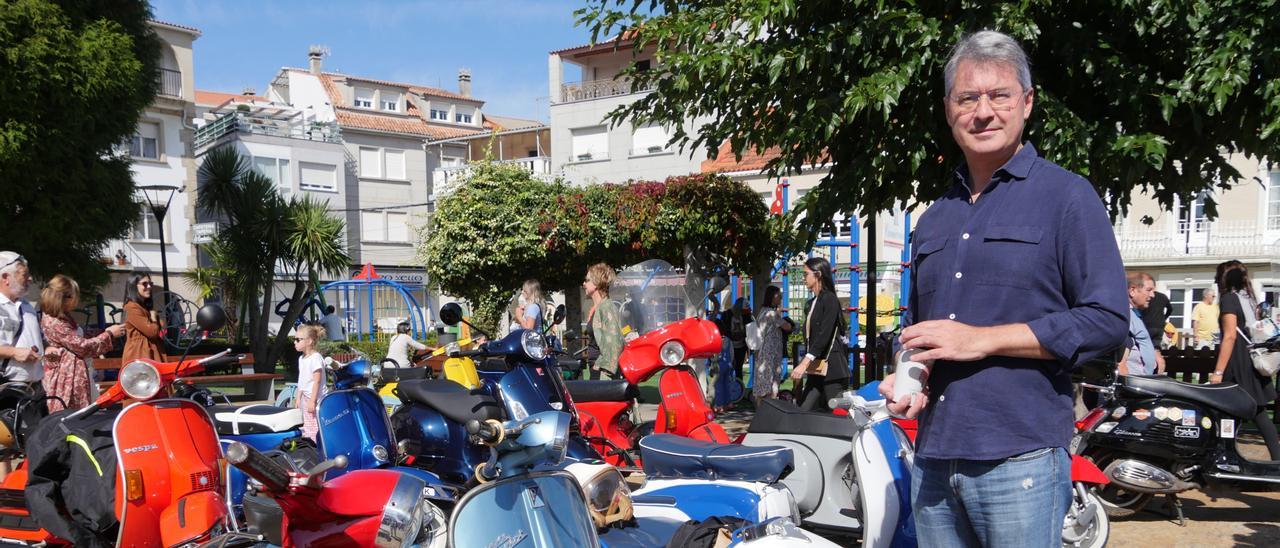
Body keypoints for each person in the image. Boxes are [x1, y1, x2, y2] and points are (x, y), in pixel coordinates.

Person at [879, 31, 1128, 547]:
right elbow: (920, 330)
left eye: (1000, 96)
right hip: (933, 455)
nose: (984, 112)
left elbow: (1106, 321)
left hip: (1021, 459)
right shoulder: (933, 219)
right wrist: (910, 378)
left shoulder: (1067, 197)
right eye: (968, 98)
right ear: (949, 110)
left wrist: (983, 339)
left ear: (1027, 103)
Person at [1209, 261, 1280, 459]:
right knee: (1258, 413)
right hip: (1250, 359)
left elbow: (1230, 336)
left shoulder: (1229, 299)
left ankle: (1225, 459)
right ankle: (1276, 460)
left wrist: (1218, 372)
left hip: (1238, 362)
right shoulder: (1248, 299)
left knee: (1227, 412)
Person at [39, 275, 124, 412]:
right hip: (68, 379)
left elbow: (78, 336)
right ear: (63, 297)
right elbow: (82, 347)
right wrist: (109, 334)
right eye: (74, 296)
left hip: (76, 375)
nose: (77, 300)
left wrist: (102, 331)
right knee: (76, 416)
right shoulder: (55, 322)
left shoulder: (62, 317)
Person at [789, 257, 849, 412]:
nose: (803, 278)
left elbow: (825, 335)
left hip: (833, 369)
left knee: (839, 416)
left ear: (818, 274)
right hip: (816, 369)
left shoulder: (829, 299)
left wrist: (804, 363)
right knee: (803, 412)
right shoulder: (811, 303)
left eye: (805, 274)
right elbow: (811, 337)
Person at [0, 253, 44, 385]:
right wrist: (13, 352)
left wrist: (48, 349)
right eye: (24, 274)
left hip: (34, 387)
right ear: (5, 277)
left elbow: (38, 340)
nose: (30, 279)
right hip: (6, 388)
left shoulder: (26, 306)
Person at [752, 285, 792, 404]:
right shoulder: (771, 314)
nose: (780, 298)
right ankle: (769, 411)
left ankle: (761, 412)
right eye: (778, 296)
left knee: (763, 383)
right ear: (771, 297)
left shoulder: (762, 312)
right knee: (771, 382)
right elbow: (787, 326)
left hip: (763, 352)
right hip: (771, 353)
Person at [583, 263, 623, 379]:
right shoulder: (598, 308)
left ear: (596, 283)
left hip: (604, 372)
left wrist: (603, 369)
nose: (584, 284)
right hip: (596, 368)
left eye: (587, 280)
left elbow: (615, 343)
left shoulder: (607, 307)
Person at [1119, 272, 1164, 376]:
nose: (1153, 295)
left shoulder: (1134, 313)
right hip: (1131, 383)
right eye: (1149, 290)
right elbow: (1125, 341)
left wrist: (1154, 352)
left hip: (1142, 380)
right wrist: (1121, 365)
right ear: (1132, 291)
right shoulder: (1125, 314)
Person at [293, 324, 326, 440]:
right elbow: (301, 380)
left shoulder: (315, 358)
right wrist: (298, 398)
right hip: (305, 398)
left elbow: (317, 381)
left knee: (315, 427)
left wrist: (312, 401)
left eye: (298, 339)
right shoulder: (301, 359)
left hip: (315, 398)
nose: (295, 342)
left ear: (310, 341)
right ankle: (310, 447)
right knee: (306, 426)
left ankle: (317, 448)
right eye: (294, 339)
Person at [121, 273, 163, 363]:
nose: (149, 287)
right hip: (139, 355)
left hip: (147, 354)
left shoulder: (143, 307)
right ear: (134, 286)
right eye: (144, 284)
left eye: (150, 284)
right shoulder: (132, 307)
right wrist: (154, 318)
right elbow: (152, 332)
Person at [717, 297, 752, 384]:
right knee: (728, 367)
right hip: (730, 344)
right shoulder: (727, 315)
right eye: (742, 311)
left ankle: (739, 389)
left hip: (741, 346)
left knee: (739, 368)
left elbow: (750, 328)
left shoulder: (747, 315)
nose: (744, 313)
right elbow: (722, 329)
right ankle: (726, 387)